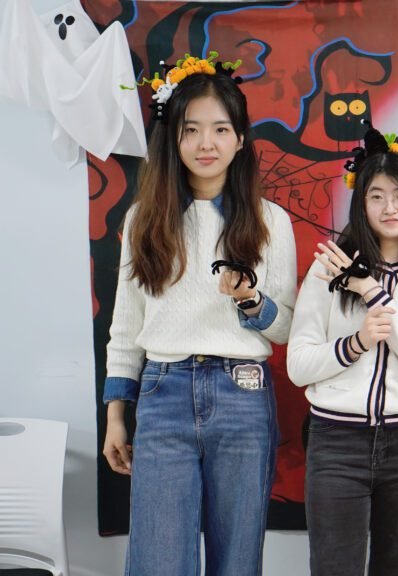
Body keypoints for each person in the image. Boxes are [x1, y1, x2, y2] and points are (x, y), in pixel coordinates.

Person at [101, 55, 297, 575]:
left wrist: (250, 301)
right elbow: (126, 325)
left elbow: (286, 328)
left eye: (220, 129)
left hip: (243, 393)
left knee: (237, 561)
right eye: (191, 130)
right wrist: (116, 415)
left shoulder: (270, 221)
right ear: (174, 138)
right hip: (162, 392)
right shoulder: (144, 219)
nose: (206, 143)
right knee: (160, 558)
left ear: (240, 139)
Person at [287, 126, 398, 576]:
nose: (389, 208)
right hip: (336, 442)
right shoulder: (327, 269)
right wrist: (355, 343)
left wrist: (370, 290)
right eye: (376, 196)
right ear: (360, 204)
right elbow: (298, 366)